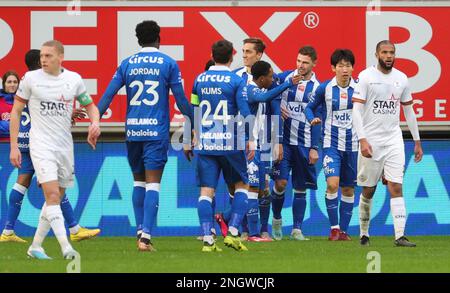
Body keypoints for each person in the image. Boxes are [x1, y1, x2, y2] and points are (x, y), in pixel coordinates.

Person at [97, 20, 193, 252]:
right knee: (153, 184)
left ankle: (140, 229)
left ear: (138, 40)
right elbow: (180, 100)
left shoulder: (127, 63)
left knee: (138, 181)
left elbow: (108, 94)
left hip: (133, 131)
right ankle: (146, 238)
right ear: (159, 38)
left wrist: (94, 120)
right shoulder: (168, 63)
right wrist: (197, 120)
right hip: (156, 132)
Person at [9, 40, 101, 259]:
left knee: (55, 200)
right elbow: (16, 111)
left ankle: (35, 247)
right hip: (40, 145)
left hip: (64, 147)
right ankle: (66, 248)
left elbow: (90, 106)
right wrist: (14, 146)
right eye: (42, 55)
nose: (43, 59)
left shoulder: (73, 80)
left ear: (61, 57)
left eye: (48, 56)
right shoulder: (30, 79)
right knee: (51, 195)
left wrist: (94, 123)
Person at [352, 40, 423, 247]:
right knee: (368, 190)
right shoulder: (366, 77)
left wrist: (417, 140)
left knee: (396, 186)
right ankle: (364, 233)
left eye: (392, 52)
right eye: (384, 52)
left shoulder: (401, 78)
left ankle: (400, 235)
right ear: (377, 54)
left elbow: (408, 111)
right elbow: (356, 110)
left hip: (393, 139)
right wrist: (362, 138)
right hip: (371, 141)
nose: (389, 56)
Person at [184, 39, 252, 252]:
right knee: (242, 186)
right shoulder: (236, 80)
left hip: (205, 143)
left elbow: (193, 110)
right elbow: (245, 111)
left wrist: (188, 137)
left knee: (206, 191)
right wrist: (250, 139)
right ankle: (233, 232)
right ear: (232, 56)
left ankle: (207, 238)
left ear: (212, 56)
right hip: (230, 143)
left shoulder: (199, 79)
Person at [305, 49, 358, 241]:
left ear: (352, 68)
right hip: (331, 144)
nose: (345, 69)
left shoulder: (360, 88)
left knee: (348, 189)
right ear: (333, 68)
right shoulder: (325, 88)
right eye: (341, 66)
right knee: (332, 184)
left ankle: (343, 231)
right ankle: (334, 228)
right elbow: (309, 108)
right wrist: (312, 119)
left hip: (353, 145)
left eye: (348, 65)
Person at [271, 46, 321, 241]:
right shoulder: (283, 78)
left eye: (305, 62)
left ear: (314, 64)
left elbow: (318, 117)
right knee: (281, 182)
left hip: (304, 142)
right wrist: (276, 108)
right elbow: (265, 92)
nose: (300, 65)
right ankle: (276, 220)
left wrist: (314, 147)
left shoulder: (318, 88)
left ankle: (297, 229)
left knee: (300, 186)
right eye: (299, 61)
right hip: (283, 142)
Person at [0, 71, 19, 141]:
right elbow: (22, 126)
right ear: (4, 84)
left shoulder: (25, 101)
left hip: (22, 144)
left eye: (15, 82)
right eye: (9, 82)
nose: (12, 84)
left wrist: (4, 124)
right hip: (2, 144)